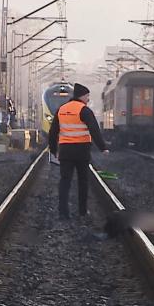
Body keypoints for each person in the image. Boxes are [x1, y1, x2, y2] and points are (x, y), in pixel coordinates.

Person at [48, 83, 109, 220]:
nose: (88, 99)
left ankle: (63, 212)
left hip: (65, 151)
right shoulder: (84, 110)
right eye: (87, 96)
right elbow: (94, 130)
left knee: (65, 181)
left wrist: (53, 150)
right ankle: (82, 211)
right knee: (83, 181)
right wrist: (103, 147)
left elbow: (53, 132)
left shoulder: (61, 110)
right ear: (82, 96)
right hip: (82, 151)